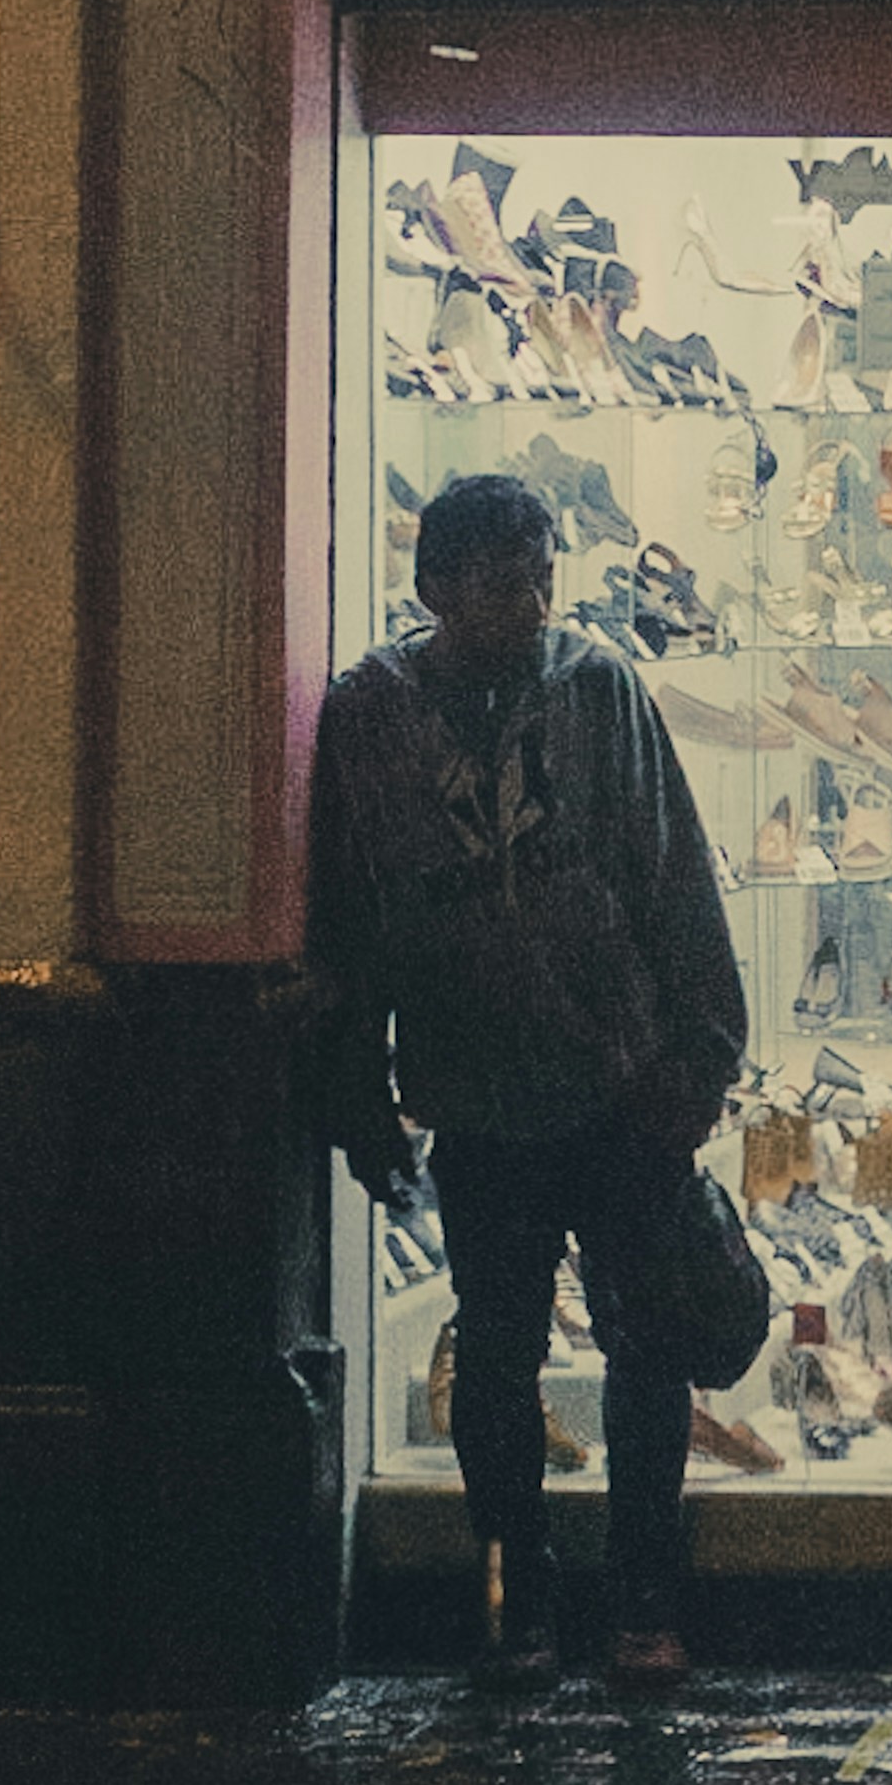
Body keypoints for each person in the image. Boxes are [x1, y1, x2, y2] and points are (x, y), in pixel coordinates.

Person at [308, 470, 746, 1696]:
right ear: (434, 588)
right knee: (496, 1358)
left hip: (618, 1082)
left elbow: (673, 870)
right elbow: (351, 916)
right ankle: (517, 1597)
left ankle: (647, 1597)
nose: (532, 601)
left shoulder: (594, 688)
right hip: (476, 1091)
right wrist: (359, 1091)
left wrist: (703, 1049)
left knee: (645, 1344)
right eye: (504, 581)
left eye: (545, 574)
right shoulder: (371, 719)